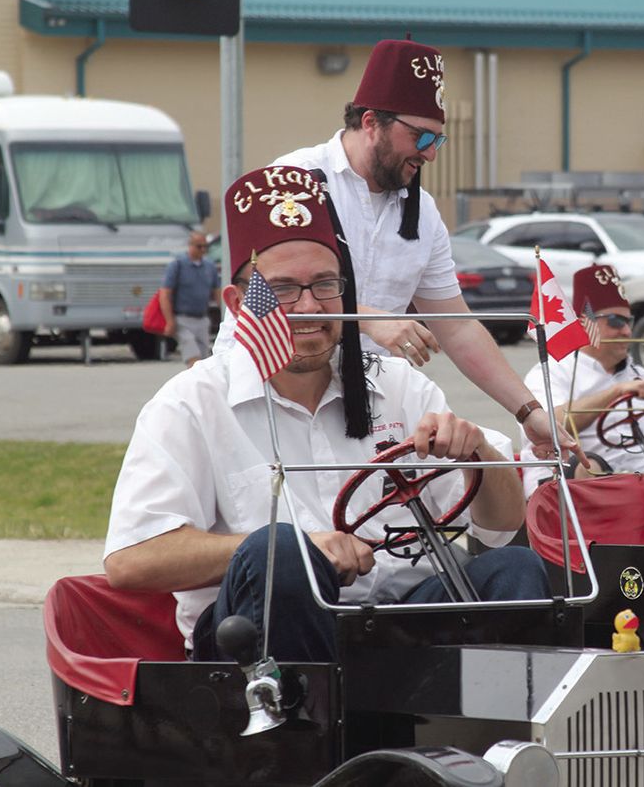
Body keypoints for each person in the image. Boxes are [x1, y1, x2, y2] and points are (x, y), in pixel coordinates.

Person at [105, 165, 551, 663]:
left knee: (515, 569)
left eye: (324, 285)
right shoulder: (190, 403)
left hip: (397, 622)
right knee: (281, 550)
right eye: (282, 290)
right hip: (252, 644)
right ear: (237, 302)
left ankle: (497, 736)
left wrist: (478, 454)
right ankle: (295, 729)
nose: (309, 307)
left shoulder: (397, 385)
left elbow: (501, 523)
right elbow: (130, 560)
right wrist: (294, 548)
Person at [212, 38, 579, 464]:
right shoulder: (291, 182)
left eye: (438, 141)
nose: (429, 153)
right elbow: (270, 297)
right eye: (421, 136)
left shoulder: (422, 213)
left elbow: (457, 327)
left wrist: (529, 410)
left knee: (481, 465)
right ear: (371, 122)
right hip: (268, 396)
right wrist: (365, 319)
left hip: (359, 404)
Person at [519, 264, 644, 496]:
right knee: (589, 468)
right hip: (574, 483)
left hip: (642, 487)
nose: (627, 331)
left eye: (630, 321)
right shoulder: (550, 373)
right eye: (616, 321)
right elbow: (548, 426)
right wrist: (616, 392)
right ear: (585, 320)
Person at [162, 230, 219, 367]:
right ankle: (194, 385)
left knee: (204, 360)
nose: (203, 250)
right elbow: (165, 293)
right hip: (182, 318)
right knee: (193, 356)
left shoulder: (209, 267)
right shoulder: (178, 265)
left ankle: (202, 386)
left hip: (202, 318)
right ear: (190, 246)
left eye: (205, 247)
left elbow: (217, 291)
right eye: (199, 246)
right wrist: (169, 321)